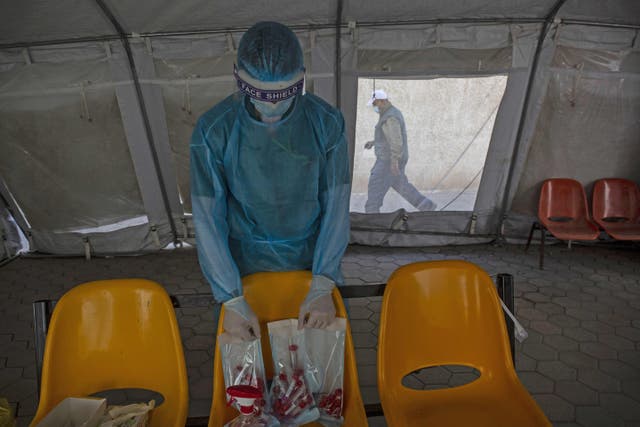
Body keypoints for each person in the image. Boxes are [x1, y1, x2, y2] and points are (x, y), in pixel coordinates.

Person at [190, 22, 351, 341]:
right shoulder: (214, 131)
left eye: (284, 95)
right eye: (263, 97)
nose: (274, 107)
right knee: (252, 369)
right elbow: (208, 220)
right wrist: (231, 297)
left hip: (312, 262)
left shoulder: (325, 123)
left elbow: (336, 208)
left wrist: (322, 283)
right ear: (238, 80)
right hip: (244, 271)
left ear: (301, 79)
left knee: (314, 374)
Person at [364, 89, 436, 213]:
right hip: (392, 159)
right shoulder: (390, 114)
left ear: (382, 101)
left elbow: (396, 141)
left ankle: (371, 217)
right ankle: (426, 206)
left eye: (375, 104)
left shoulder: (390, 117)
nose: (374, 107)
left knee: (375, 187)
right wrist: (374, 142)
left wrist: (394, 161)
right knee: (401, 185)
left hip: (387, 161)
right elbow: (388, 138)